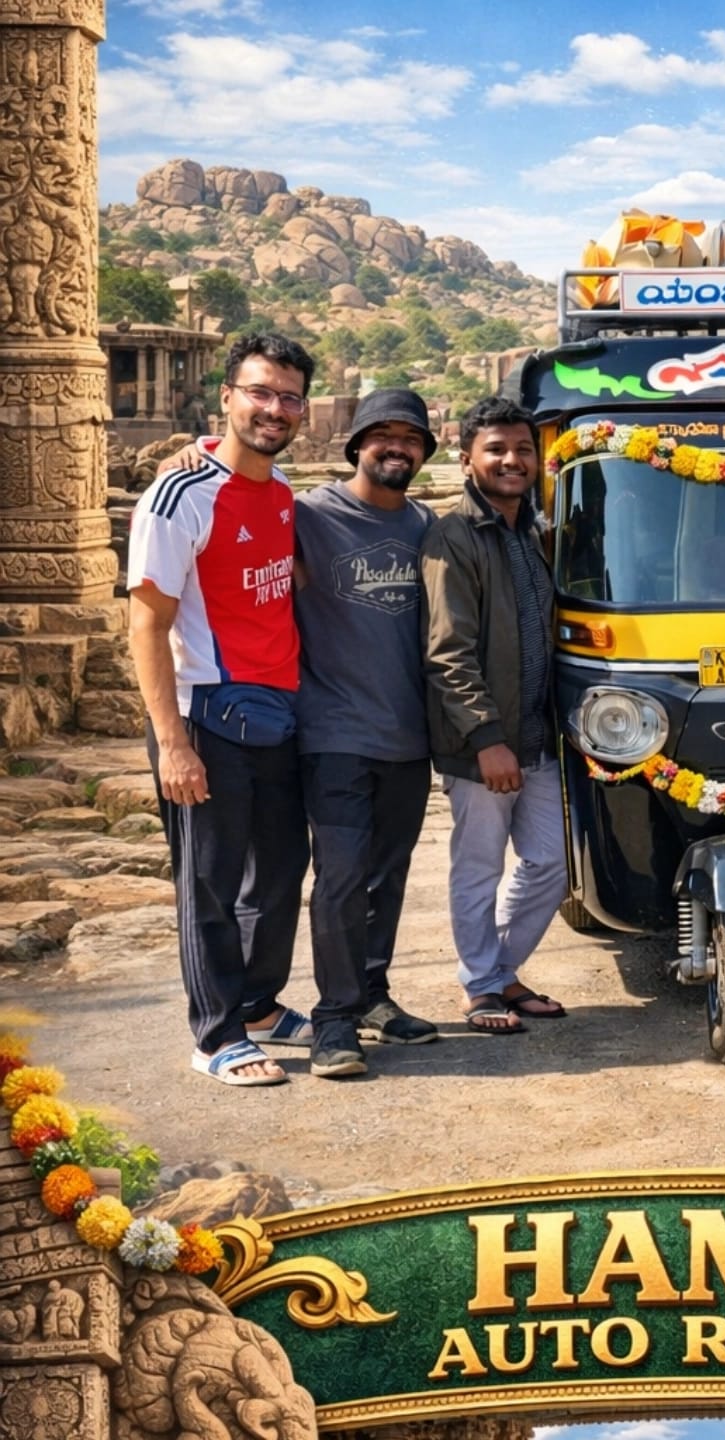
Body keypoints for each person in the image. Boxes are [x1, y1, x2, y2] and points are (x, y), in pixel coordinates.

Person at [129, 333, 315, 1087]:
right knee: (208, 877)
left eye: (289, 396)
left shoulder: (281, 497)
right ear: (228, 399)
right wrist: (173, 744)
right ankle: (214, 1035)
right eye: (260, 392)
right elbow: (146, 622)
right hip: (205, 712)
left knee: (279, 871)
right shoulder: (180, 495)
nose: (274, 408)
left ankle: (259, 1003)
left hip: (276, 709)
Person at [293, 389, 441, 1076]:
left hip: (409, 737)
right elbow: (234, 498)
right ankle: (334, 1020)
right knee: (342, 879)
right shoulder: (311, 516)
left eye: (409, 438)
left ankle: (374, 994)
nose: (396, 448)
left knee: (388, 876)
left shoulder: (426, 528)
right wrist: (197, 454)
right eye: (382, 436)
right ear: (355, 445)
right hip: (334, 733)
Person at [420, 396, 568, 1035]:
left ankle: (497, 972)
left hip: (535, 736)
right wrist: (486, 739)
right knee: (479, 865)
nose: (512, 461)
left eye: (523, 450)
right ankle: (481, 987)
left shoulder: (532, 531)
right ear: (467, 460)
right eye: (497, 450)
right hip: (482, 743)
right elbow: (447, 651)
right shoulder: (454, 536)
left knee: (552, 861)